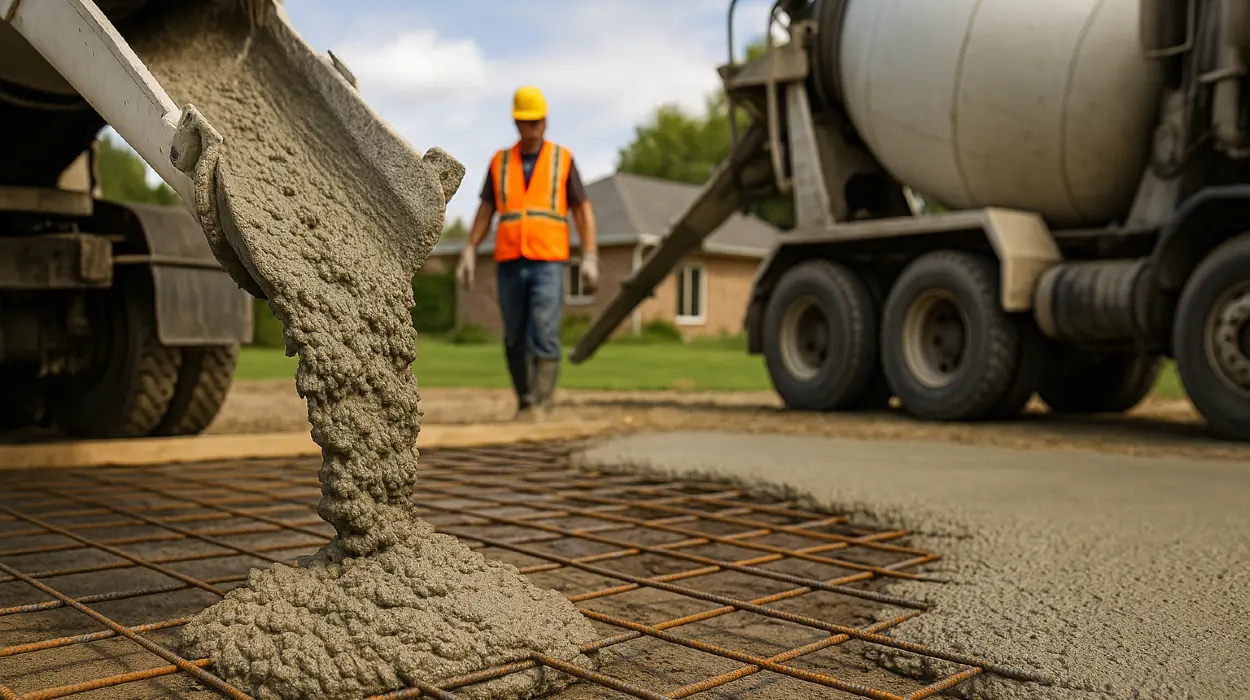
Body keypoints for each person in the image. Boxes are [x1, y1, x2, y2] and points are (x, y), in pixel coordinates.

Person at [456, 85, 599, 421]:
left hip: (548, 260)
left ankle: (541, 403)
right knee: (514, 335)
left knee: (543, 330)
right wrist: (469, 249)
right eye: (524, 122)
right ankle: (525, 400)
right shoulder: (500, 161)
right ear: (515, 123)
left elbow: (582, 210)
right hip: (509, 261)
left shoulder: (561, 160)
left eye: (535, 122)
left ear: (545, 122)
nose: (530, 128)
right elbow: (485, 210)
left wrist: (590, 254)